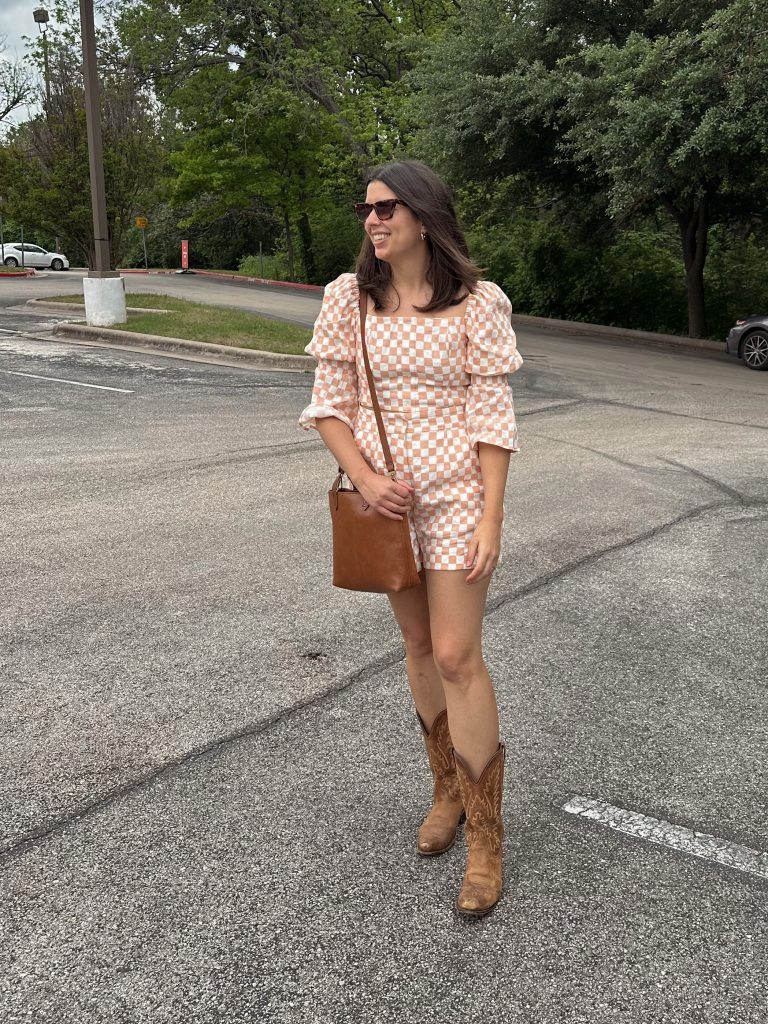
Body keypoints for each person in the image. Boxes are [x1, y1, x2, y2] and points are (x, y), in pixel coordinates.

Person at [299, 159, 522, 917]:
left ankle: (487, 838)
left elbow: (493, 417)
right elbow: (329, 405)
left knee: (459, 653)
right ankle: (447, 793)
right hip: (388, 508)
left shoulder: (477, 306)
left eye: (389, 207)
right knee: (420, 649)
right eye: (366, 209)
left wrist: (492, 515)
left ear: (424, 216)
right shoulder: (347, 301)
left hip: (458, 501)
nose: (374, 220)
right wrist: (364, 479)